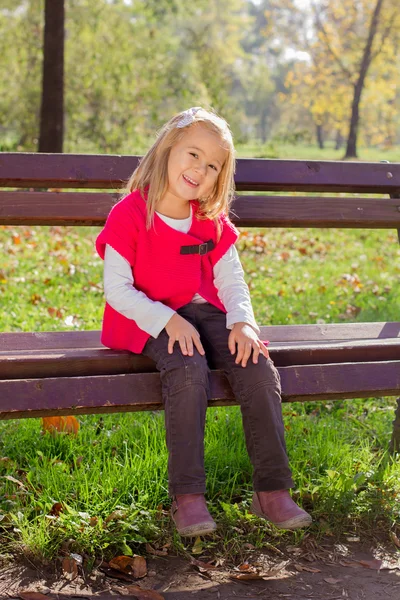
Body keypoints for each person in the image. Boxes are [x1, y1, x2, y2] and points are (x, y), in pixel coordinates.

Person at [95, 106, 312, 537]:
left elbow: (231, 279)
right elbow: (117, 290)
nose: (200, 169)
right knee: (188, 370)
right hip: (147, 316)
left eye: (212, 165)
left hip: (203, 313)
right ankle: (188, 497)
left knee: (256, 369)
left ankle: (272, 490)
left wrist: (243, 323)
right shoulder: (131, 214)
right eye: (193, 154)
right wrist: (167, 322)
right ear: (168, 148)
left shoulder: (209, 220)